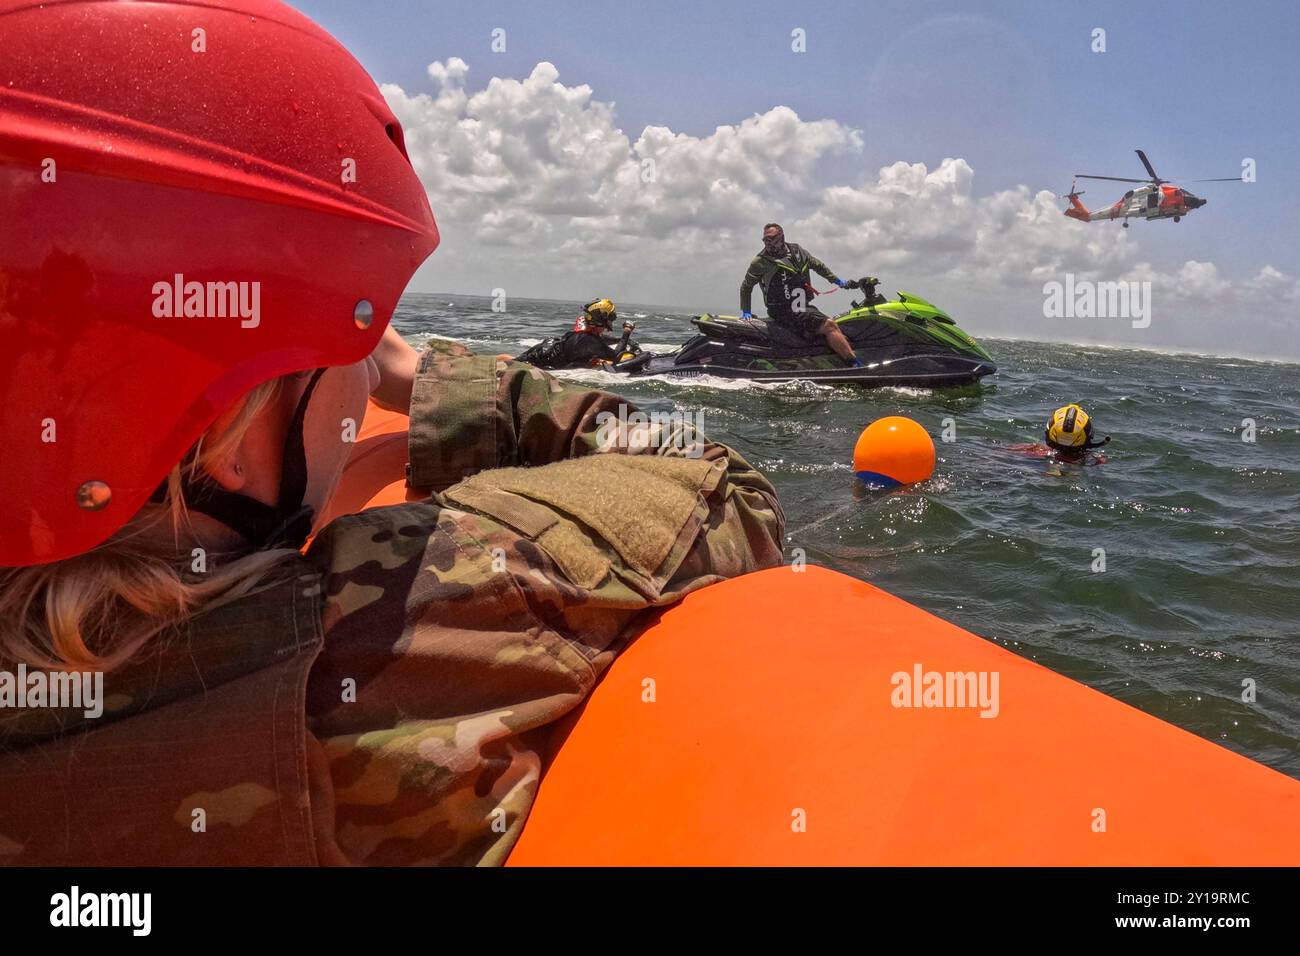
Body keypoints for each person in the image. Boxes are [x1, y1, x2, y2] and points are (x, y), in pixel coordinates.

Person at [0, 0, 784, 867]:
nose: (367, 368)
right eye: (351, 343)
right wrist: (439, 384)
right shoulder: (369, 639)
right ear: (232, 426)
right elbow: (720, 485)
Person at [739, 223, 862, 367]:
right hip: (783, 310)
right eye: (765, 240)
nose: (768, 243)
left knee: (839, 329)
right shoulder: (761, 262)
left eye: (771, 239)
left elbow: (818, 266)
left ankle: (829, 361)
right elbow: (746, 286)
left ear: (781, 237)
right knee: (829, 325)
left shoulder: (798, 251)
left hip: (802, 307)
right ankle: (855, 365)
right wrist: (746, 311)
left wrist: (838, 281)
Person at [516, 298, 638, 369]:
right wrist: (626, 332)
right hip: (541, 359)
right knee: (510, 363)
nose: (612, 322)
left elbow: (600, 340)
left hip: (547, 349)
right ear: (601, 319)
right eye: (610, 318)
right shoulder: (588, 341)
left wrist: (618, 340)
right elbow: (616, 356)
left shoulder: (587, 331)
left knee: (511, 361)